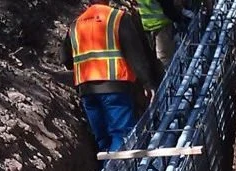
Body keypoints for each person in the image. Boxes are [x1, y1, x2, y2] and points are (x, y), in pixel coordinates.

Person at [61, 1, 161, 154]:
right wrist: (148, 83)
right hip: (116, 88)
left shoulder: (76, 24)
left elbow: (66, 60)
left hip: (87, 91)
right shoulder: (118, 18)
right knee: (121, 137)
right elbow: (136, 55)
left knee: (103, 140)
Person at [134, 0, 188, 69]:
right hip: (162, 26)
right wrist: (179, 19)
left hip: (147, 27)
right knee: (165, 61)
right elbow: (167, 7)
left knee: (156, 61)